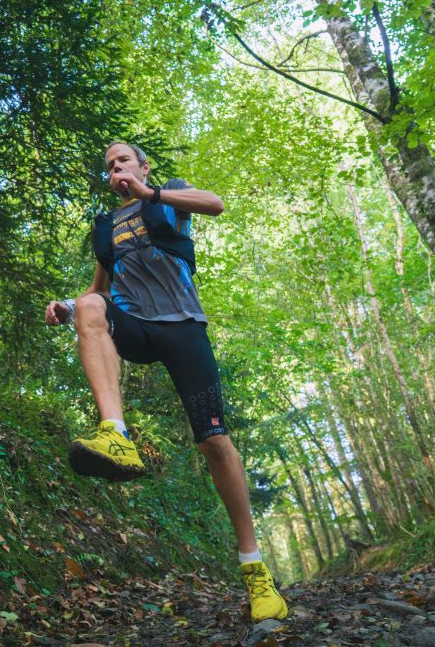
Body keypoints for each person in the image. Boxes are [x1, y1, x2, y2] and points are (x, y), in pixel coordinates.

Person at [44, 141, 288, 623]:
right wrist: (66, 307)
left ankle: (255, 570)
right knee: (89, 306)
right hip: (135, 327)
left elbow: (215, 204)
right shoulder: (106, 227)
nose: (116, 168)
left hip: (183, 327)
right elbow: (98, 293)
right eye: (110, 165)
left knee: (215, 442)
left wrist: (150, 193)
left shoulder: (168, 194)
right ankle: (115, 433)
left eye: (123, 160)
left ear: (142, 166)